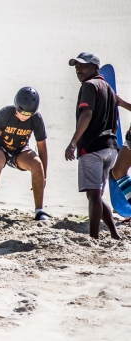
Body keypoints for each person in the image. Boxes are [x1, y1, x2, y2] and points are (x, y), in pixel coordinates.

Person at [64, 52, 120, 239]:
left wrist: (73, 143)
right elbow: (116, 123)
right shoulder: (109, 89)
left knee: (93, 196)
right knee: (96, 195)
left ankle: (93, 237)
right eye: (77, 66)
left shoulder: (89, 85)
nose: (79, 70)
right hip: (110, 148)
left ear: (96, 68)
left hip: (92, 148)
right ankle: (114, 234)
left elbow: (86, 114)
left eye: (84, 66)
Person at [0, 87, 50, 220]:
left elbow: (42, 148)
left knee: (37, 164)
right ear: (16, 107)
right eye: (22, 113)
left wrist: (43, 177)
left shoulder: (36, 118)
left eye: (29, 114)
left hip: (20, 151)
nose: (25, 116)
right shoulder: (3, 114)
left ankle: (39, 211)